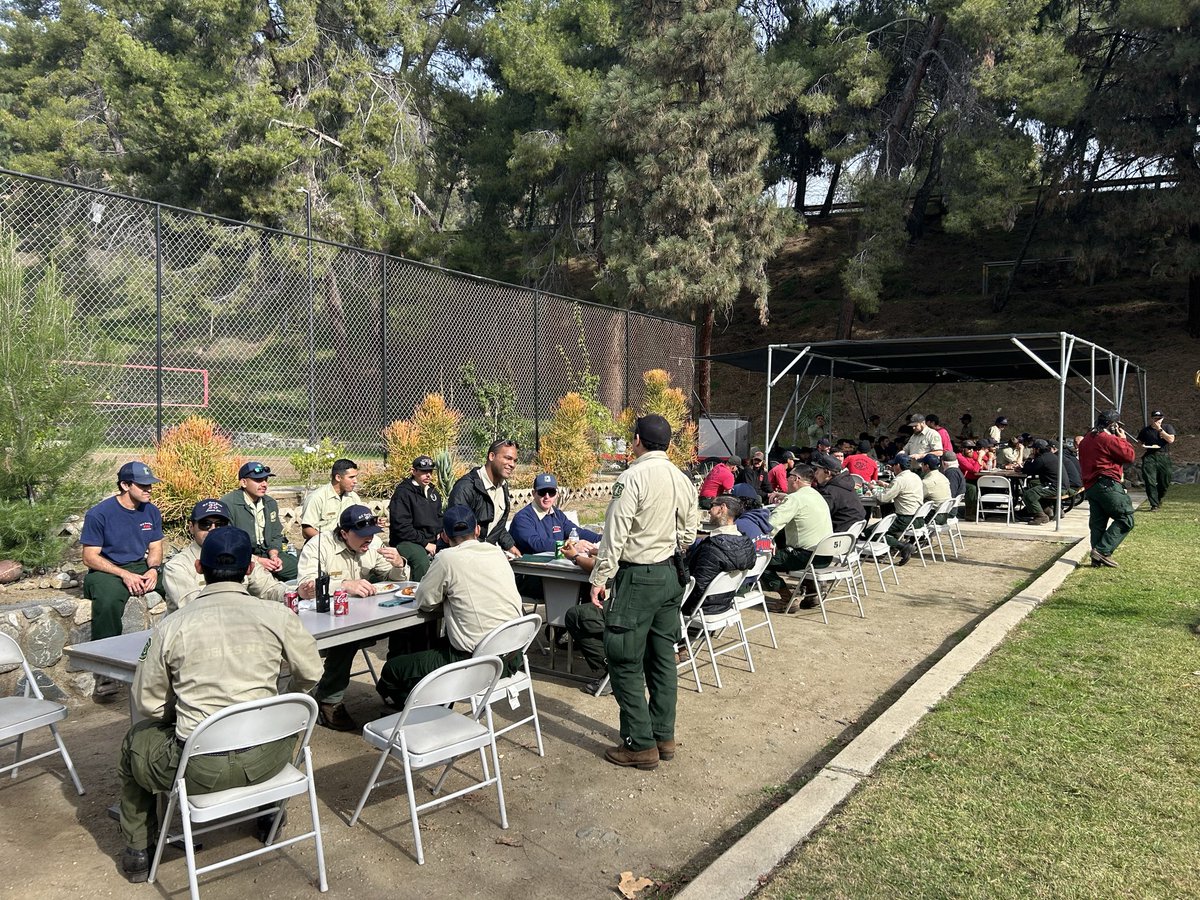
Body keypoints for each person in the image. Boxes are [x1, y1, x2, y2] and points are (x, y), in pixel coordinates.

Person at [115, 527, 322, 884]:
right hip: (270, 757)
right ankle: (269, 813)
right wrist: (281, 711)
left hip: (198, 768)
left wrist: (187, 720)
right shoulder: (278, 616)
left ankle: (139, 851)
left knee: (136, 741)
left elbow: (147, 703)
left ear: (199, 567)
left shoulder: (172, 626)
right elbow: (311, 674)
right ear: (248, 571)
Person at [587, 414, 699, 771]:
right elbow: (690, 533)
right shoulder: (682, 479)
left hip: (639, 575)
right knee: (662, 656)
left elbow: (615, 534)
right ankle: (663, 733)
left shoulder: (632, 477)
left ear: (637, 440)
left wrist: (600, 577)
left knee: (623, 657)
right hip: (670, 573)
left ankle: (639, 742)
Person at [376, 506, 524, 709]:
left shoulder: (446, 559)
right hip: (512, 655)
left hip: (478, 663)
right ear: (478, 530)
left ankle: (423, 714)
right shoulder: (498, 553)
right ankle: (436, 703)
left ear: (444, 536)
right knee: (435, 646)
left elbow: (425, 602)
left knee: (392, 669)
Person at [296, 505, 410, 730]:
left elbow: (393, 579)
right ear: (344, 533)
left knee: (412, 628)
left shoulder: (373, 544)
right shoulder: (319, 546)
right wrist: (344, 585)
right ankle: (329, 700)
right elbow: (305, 587)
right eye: (363, 535)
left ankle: (399, 688)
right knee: (346, 638)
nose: (369, 539)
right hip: (325, 616)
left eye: (372, 533)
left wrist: (399, 564)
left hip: (365, 611)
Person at [82, 461, 165, 702]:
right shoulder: (99, 514)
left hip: (141, 565)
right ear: (125, 485)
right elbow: (89, 557)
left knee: (179, 583)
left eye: (150, 485)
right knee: (107, 602)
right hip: (107, 569)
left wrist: (154, 570)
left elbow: (156, 547)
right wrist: (124, 575)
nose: (149, 489)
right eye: (143, 485)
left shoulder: (151, 510)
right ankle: (105, 673)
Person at [162, 499, 284, 613]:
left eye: (220, 524)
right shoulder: (177, 566)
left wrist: (295, 594)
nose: (213, 529)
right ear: (191, 527)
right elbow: (195, 607)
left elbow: (269, 589)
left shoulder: (241, 556)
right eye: (205, 524)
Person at [762, 465, 833, 604]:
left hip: (806, 557)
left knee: (758, 560)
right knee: (785, 539)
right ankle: (811, 591)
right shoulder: (816, 495)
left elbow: (771, 525)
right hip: (825, 555)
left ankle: (786, 598)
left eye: (789, 477)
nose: (787, 479)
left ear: (796, 479)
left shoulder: (795, 499)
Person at [1078, 409, 1136, 567]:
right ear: (1113, 425)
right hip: (1107, 484)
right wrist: (1123, 439)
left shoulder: (1086, 440)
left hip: (1091, 486)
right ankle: (1102, 551)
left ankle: (1096, 559)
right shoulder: (1108, 439)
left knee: (1098, 523)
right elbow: (1129, 456)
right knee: (1126, 518)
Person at [221, 461, 297, 581]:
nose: (264, 484)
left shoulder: (270, 503)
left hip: (267, 553)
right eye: (258, 480)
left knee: (301, 569)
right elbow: (227, 544)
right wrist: (258, 561)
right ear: (243, 482)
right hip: (242, 557)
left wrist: (274, 555)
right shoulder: (229, 504)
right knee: (248, 577)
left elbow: (276, 536)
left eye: (265, 479)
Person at [680, 495, 756, 616]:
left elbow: (698, 588)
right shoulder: (745, 543)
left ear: (722, 508)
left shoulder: (712, 548)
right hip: (724, 603)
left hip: (699, 607)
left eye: (712, 506)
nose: (709, 511)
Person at [448, 438, 522, 555]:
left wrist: (511, 547)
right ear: (491, 456)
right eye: (507, 458)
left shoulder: (503, 487)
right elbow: (458, 531)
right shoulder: (466, 487)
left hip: (486, 554)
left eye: (515, 460)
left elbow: (497, 526)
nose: (512, 464)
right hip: (462, 556)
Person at [511, 472, 601, 555]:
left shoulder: (557, 514)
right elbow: (536, 544)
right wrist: (571, 547)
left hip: (556, 565)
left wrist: (604, 539)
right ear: (534, 493)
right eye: (542, 492)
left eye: (551, 492)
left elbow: (577, 532)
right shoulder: (522, 518)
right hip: (531, 568)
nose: (547, 497)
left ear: (557, 494)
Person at [387, 455, 443, 580]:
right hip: (407, 541)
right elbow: (401, 527)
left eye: (430, 471)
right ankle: (421, 594)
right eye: (423, 471)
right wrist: (425, 543)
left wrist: (441, 534)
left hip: (431, 540)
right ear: (414, 471)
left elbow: (439, 518)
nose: (428, 475)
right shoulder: (403, 493)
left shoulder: (434, 493)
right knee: (421, 560)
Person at [871, 454, 921, 564]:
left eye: (893, 465)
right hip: (918, 517)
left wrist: (873, 490)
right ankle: (894, 545)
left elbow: (883, 498)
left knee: (871, 532)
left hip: (904, 518)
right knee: (885, 526)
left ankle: (902, 546)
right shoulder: (915, 476)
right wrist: (886, 485)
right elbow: (901, 489)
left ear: (898, 465)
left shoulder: (899, 480)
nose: (893, 467)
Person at [300, 458, 362, 541]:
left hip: (347, 544)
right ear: (338, 477)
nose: (355, 481)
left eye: (355, 477)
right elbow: (306, 531)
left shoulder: (354, 497)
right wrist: (329, 541)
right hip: (321, 545)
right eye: (351, 477)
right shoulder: (317, 498)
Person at [811, 452, 867, 531]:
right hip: (852, 534)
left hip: (836, 537)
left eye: (817, 470)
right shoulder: (847, 484)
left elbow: (816, 517)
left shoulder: (829, 492)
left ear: (827, 473)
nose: (815, 473)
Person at [1136, 410, 1176, 510]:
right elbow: (1139, 443)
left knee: (1165, 480)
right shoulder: (1146, 430)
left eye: (1159, 418)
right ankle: (1154, 504)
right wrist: (1142, 446)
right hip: (1150, 456)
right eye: (1155, 418)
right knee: (1150, 481)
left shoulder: (1167, 427)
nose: (1157, 420)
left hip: (1163, 456)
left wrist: (1160, 429)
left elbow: (1171, 440)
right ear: (1152, 419)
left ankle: (1158, 498)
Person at [1019, 439, 1061, 525]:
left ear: (1037, 449)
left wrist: (1029, 458)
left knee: (1029, 494)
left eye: (1033, 449)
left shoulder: (1042, 459)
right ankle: (1046, 511)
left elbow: (1028, 470)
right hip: (1058, 484)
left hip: (1055, 486)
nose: (1032, 450)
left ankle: (1040, 516)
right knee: (1033, 486)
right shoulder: (1050, 456)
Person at [918, 453, 952, 523]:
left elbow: (917, 498)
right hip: (945, 515)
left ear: (926, 466)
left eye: (922, 464)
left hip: (933, 517)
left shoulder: (927, 482)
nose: (921, 466)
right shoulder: (943, 477)